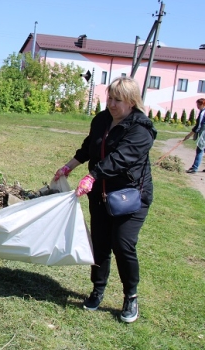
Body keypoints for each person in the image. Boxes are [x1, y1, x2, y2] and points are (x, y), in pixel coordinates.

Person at [53, 77, 157, 323]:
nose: (110, 103)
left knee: (123, 244)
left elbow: (121, 158)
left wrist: (92, 176)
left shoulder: (141, 129)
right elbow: (89, 146)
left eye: (117, 100)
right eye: (109, 97)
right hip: (100, 194)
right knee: (99, 245)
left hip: (130, 197)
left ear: (131, 102)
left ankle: (130, 296)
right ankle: (97, 290)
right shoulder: (101, 119)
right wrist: (69, 167)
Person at [183, 98, 205, 173]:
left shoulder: (203, 113)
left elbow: (198, 126)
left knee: (200, 150)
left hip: (204, 133)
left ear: (202, 104)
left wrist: (189, 135)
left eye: (198, 105)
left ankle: (194, 168)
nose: (197, 106)